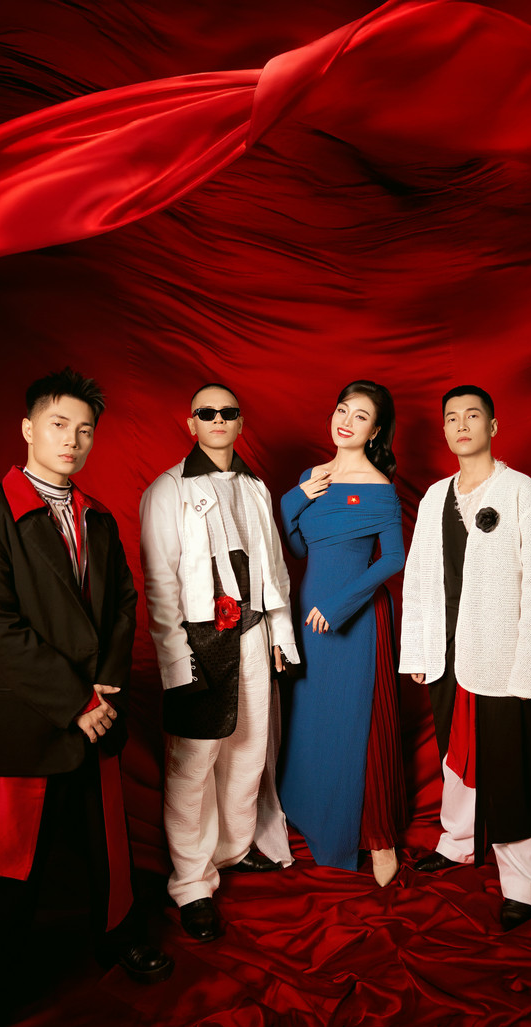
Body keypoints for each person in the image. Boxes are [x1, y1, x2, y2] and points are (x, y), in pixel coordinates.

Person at [0, 367, 173, 1027]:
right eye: (57, 425)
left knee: (106, 850)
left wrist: (105, 684)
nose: (72, 440)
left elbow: (124, 605)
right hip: (32, 718)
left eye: (84, 430)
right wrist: (77, 699)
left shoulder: (98, 516)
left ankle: (117, 939)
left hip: (98, 711)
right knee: (0, 868)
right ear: (27, 428)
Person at [140, 381, 298, 942]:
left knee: (249, 748)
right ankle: (191, 882)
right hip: (199, 639)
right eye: (206, 413)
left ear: (239, 423)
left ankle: (231, 850)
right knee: (193, 761)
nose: (217, 420)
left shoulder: (254, 486)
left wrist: (280, 632)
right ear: (191, 423)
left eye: (227, 412)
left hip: (253, 632)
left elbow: (273, 566)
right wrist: (176, 660)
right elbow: (160, 584)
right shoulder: (168, 489)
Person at [399, 386, 531, 930]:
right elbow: (419, 577)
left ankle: (524, 880)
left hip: (503, 654)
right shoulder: (434, 497)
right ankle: (459, 842)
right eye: (452, 418)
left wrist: (529, 668)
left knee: (510, 766)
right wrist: (418, 646)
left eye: (473, 415)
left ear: (493, 425)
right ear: (444, 430)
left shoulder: (525, 494)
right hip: (446, 649)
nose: (462, 425)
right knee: (456, 751)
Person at [279, 380, 407, 885]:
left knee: (355, 723)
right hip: (307, 615)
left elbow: (393, 559)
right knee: (311, 719)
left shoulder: (379, 487)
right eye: (342, 410)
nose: (346, 422)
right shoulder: (312, 477)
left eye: (360, 416)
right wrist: (295, 496)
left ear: (375, 431)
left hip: (353, 617)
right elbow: (297, 547)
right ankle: (308, 812)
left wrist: (339, 606)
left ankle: (375, 836)